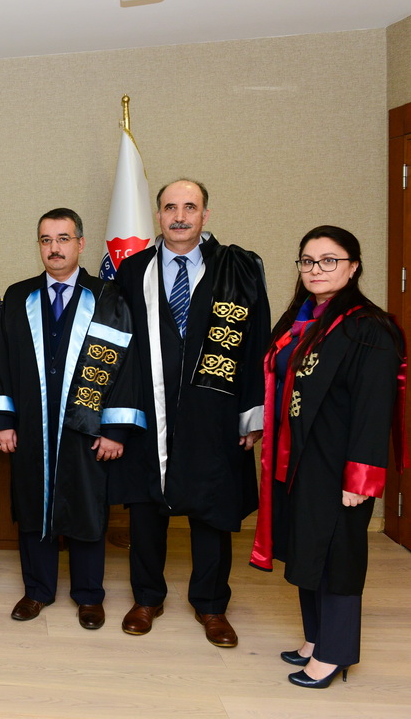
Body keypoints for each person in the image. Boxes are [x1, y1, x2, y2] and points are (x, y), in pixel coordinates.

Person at [111, 179, 270, 647]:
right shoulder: (132, 270)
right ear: (158, 215)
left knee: (213, 507)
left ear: (205, 214)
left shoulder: (238, 268)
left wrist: (251, 415)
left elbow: (256, 341)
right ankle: (147, 597)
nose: (179, 216)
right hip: (150, 408)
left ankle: (212, 604)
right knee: (146, 509)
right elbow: (116, 347)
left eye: (190, 207)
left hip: (215, 408)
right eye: (170, 208)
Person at [250, 226, 405, 688]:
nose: (316, 269)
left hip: (340, 464)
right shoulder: (302, 320)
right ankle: (315, 638)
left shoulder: (368, 328)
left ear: (353, 266)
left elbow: (375, 408)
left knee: (338, 555)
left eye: (329, 260)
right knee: (308, 547)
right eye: (308, 261)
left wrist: (361, 477)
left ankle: (334, 653)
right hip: (299, 458)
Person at [0, 209, 144, 628]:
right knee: (32, 505)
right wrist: (1, 420)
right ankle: (37, 590)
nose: (54, 248)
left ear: (80, 243)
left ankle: (89, 595)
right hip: (31, 426)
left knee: (86, 507)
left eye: (63, 238)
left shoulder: (107, 296)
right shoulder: (18, 296)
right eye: (46, 240)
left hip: (85, 427)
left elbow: (126, 366)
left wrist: (114, 430)